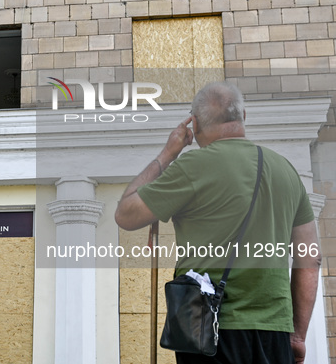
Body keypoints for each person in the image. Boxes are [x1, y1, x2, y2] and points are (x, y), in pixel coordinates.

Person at [115, 81, 321, 364]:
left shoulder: (192, 167)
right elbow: (310, 259)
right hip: (274, 332)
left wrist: (169, 153)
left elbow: (125, 214)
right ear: (243, 117)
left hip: (206, 331)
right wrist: (297, 336)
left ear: (194, 124)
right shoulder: (285, 170)